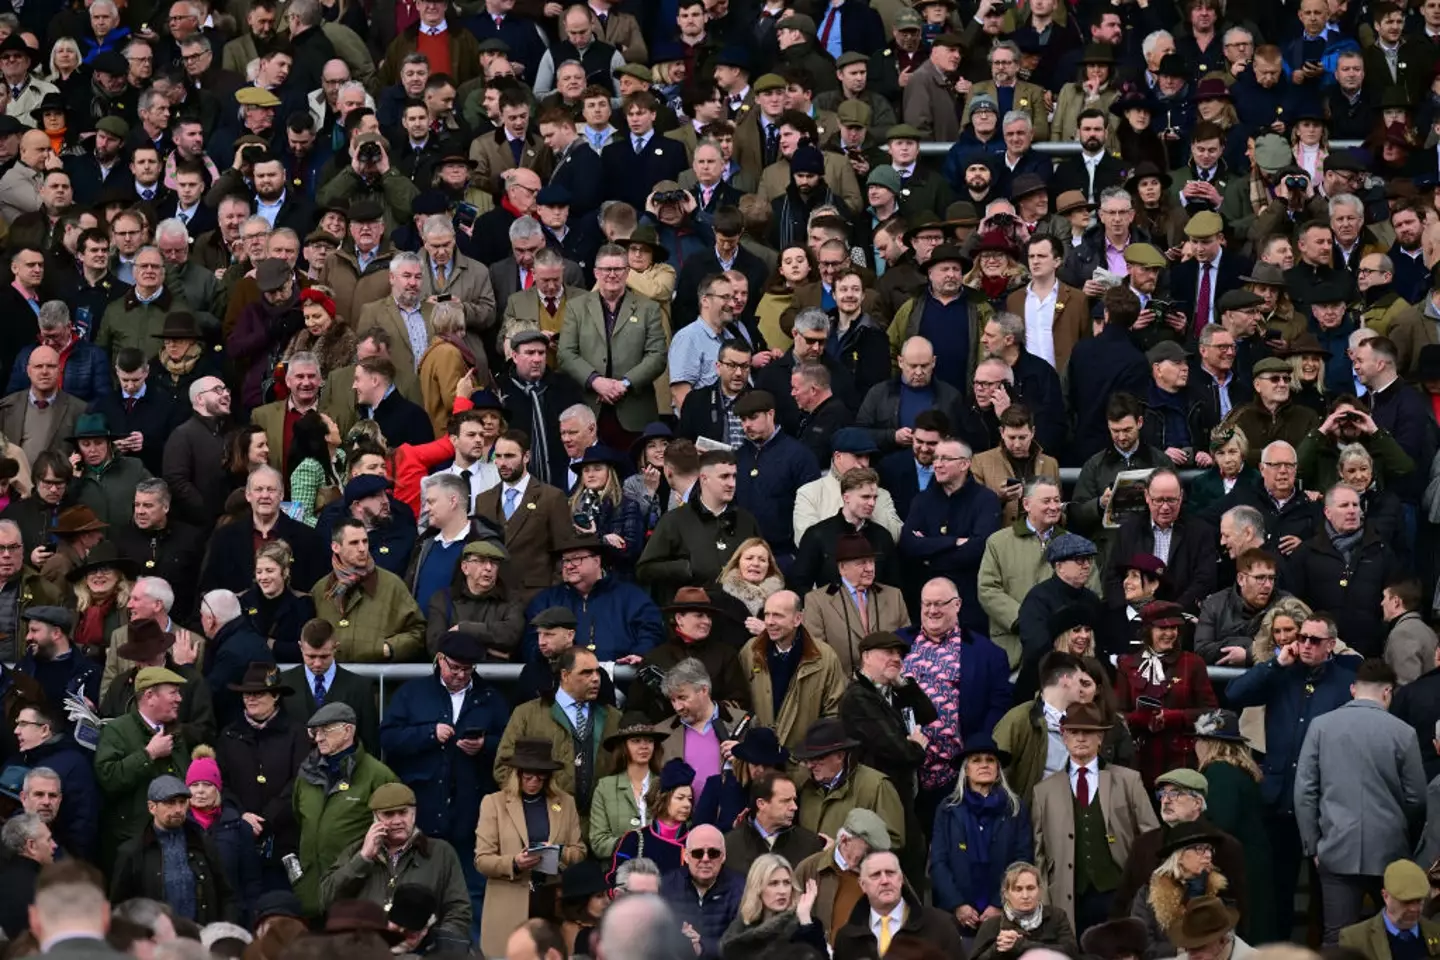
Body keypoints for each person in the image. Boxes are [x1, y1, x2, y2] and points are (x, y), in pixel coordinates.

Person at [1225, 611, 1357, 941]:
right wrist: (1274, 664)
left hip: (1325, 802)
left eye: (1314, 640)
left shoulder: (1344, 683)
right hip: (1279, 796)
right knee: (1278, 888)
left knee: (1326, 890)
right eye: (1302, 638)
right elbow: (1235, 694)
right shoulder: (1282, 673)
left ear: (1330, 644)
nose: (1305, 645)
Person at [378, 629, 509, 921]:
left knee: (470, 890)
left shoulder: (490, 698)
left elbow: (510, 743)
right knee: (415, 890)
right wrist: (428, 734)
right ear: (440, 659)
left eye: (468, 669)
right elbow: (388, 737)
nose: (461, 675)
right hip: (422, 808)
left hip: (471, 810)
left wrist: (484, 745)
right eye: (455, 667)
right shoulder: (413, 693)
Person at [1296, 658, 1426, 943]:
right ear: (1387, 692)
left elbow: (1305, 791)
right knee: (1398, 933)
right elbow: (1417, 797)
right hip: (1391, 849)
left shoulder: (1320, 727)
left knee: (1337, 937)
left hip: (1335, 846)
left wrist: (1312, 844)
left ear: (1353, 689)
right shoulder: (1404, 733)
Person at [1031, 702, 1160, 936]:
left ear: (1100, 737)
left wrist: (1146, 886)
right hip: (1069, 897)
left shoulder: (1129, 781)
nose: (1081, 738)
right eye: (1074, 732)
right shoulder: (1044, 791)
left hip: (1120, 892)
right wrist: (1046, 900)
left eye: (1088, 732)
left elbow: (1151, 837)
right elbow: (1039, 854)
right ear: (1064, 735)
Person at [316, 782, 471, 948]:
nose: (397, 820)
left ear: (414, 813)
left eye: (403, 813)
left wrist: (435, 945)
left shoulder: (441, 853)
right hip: (365, 951)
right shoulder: (356, 851)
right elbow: (326, 900)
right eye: (388, 814)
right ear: (375, 817)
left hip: (423, 951)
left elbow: (459, 910)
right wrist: (363, 859)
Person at [475, 738, 586, 958]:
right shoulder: (494, 803)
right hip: (509, 901)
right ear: (517, 774)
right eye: (528, 776)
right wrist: (514, 863)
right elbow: (482, 860)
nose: (534, 781)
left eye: (540, 776)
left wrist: (559, 850)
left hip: (550, 900)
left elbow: (580, 852)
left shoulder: (565, 803)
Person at [292, 701, 398, 915]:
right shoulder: (306, 775)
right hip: (310, 894)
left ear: (348, 730)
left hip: (356, 892)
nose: (318, 738)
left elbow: (396, 831)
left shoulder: (378, 775)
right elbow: (299, 819)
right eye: (315, 731)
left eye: (325, 730)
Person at [213, 663, 309, 895]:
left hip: (285, 839)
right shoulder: (228, 735)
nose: (251, 699)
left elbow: (300, 781)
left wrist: (267, 818)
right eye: (247, 694)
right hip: (239, 835)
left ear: (275, 695)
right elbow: (220, 783)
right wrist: (241, 815)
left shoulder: (296, 734)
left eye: (258, 693)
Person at [495, 646, 621, 815]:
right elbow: (504, 767)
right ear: (565, 675)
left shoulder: (613, 717)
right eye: (586, 673)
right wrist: (533, 806)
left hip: (598, 823)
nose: (596, 679)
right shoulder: (527, 714)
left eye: (597, 672)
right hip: (545, 820)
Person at [978, 477, 1088, 669]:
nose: (1054, 507)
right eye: (1046, 501)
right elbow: (988, 590)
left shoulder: (1076, 545)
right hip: (1012, 650)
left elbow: (1091, 591)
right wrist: (1026, 620)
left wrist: (1059, 623)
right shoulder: (998, 542)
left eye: (1056, 500)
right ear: (1026, 504)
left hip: (1063, 653)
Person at [898, 435, 1001, 635]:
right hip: (928, 607)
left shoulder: (986, 500)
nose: (937, 464)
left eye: (945, 459)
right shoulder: (922, 500)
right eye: (936, 458)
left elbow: (978, 549)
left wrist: (930, 554)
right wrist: (954, 542)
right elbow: (908, 545)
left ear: (964, 464)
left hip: (970, 605)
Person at [931, 735, 1034, 934]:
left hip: (1004, 914)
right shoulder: (948, 808)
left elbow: (1022, 860)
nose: (984, 765)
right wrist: (958, 905)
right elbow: (938, 862)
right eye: (976, 760)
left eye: (990, 760)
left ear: (998, 770)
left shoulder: (1015, 808)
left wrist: (999, 904)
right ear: (966, 770)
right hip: (956, 916)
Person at [1283, 484, 1398, 658]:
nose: (1352, 511)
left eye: (1355, 505)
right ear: (1327, 513)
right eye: (1344, 506)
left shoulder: (1381, 550)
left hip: (1369, 653)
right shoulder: (1307, 552)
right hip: (1319, 653)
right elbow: (1293, 603)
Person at [94, 666, 193, 866]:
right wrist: (149, 754)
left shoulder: (177, 732)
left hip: (175, 835)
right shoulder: (117, 730)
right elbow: (108, 778)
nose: (179, 699)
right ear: (150, 696)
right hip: (134, 843)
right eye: (173, 692)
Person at [638, 450, 762, 607]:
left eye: (734, 476)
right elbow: (644, 569)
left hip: (738, 619)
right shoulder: (675, 520)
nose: (732, 484)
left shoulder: (746, 521)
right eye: (724, 477)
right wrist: (685, 567)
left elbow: (768, 568)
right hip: (691, 617)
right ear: (704, 479)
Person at [1115, 601, 1217, 788]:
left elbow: (1212, 715)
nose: (1170, 634)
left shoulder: (1193, 663)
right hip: (1139, 760)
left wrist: (1174, 717)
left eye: (1174, 627)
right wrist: (1139, 719)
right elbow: (1117, 715)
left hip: (1181, 758)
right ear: (1147, 630)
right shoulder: (1127, 665)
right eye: (1162, 628)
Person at [523, 534, 665, 663]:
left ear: (597, 561)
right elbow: (530, 642)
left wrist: (640, 653)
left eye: (577, 559)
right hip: (562, 681)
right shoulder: (546, 601)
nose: (569, 566)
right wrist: (550, 654)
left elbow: (652, 631)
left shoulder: (631, 596)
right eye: (565, 560)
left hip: (620, 681)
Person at [737, 589, 846, 749]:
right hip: (759, 759)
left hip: (802, 761)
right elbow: (740, 703)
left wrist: (813, 754)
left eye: (778, 615)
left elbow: (833, 712)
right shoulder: (750, 651)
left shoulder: (825, 657)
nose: (769, 622)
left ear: (797, 619)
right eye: (767, 614)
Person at [311, 518, 427, 662]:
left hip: (376, 681)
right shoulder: (321, 589)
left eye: (365, 541)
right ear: (336, 547)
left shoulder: (392, 585)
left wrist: (387, 648)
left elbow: (418, 631)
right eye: (354, 543)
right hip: (332, 681)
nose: (362, 548)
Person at [832, 849, 967, 960]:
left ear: (901, 879)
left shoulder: (940, 925)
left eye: (890, 873)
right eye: (876, 875)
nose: (885, 881)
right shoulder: (847, 938)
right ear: (862, 885)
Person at [1126, 822, 1233, 957]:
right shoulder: (1148, 894)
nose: (1208, 855)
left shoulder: (1217, 889)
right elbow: (1141, 944)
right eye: (1200, 849)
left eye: (1210, 849)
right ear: (1180, 856)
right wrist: (1181, 950)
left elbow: (1229, 937)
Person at [279, 619, 380, 754]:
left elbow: (369, 744)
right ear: (300, 647)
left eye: (324, 656)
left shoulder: (360, 687)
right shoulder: (283, 683)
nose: (317, 663)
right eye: (311, 656)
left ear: (335, 647)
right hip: (295, 772)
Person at [15, 717, 100, 862]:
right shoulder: (24, 761)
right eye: (39, 795)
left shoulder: (71, 764)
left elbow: (82, 826)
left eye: (53, 796)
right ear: (23, 798)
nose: (46, 801)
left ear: (45, 730)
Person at [719, 853, 829, 959]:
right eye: (773, 883)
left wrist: (805, 920)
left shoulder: (805, 927)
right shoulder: (740, 930)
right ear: (758, 888)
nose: (782, 891)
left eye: (786, 883)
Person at [589, 714, 667, 860]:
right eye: (636, 741)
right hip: (620, 870)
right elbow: (598, 842)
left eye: (649, 741)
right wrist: (635, 844)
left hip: (663, 867)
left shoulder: (667, 784)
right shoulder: (605, 787)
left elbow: (681, 829)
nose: (644, 746)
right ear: (623, 747)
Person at [660, 824, 745, 959]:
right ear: (686, 856)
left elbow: (743, 944)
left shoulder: (741, 889)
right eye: (697, 853)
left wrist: (702, 947)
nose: (705, 859)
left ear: (723, 856)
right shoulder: (666, 887)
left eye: (713, 853)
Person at [1194, 549, 1287, 667]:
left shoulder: (1286, 604)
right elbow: (1201, 650)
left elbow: (1295, 649)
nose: (1268, 585)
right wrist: (1247, 643)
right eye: (1260, 578)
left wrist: (1250, 654)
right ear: (1241, 579)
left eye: (1271, 578)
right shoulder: (1214, 605)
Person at [971, 862, 1078, 960]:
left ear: (1040, 890)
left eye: (1030, 888)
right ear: (1006, 894)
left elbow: (1072, 953)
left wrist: (1023, 945)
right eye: (1018, 889)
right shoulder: (992, 924)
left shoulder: (1056, 916)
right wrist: (997, 947)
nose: (1025, 896)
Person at [609, 758, 696, 878]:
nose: (687, 805)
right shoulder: (635, 840)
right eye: (680, 798)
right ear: (662, 799)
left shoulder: (695, 842)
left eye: (689, 799)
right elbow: (616, 880)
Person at [1337, 859, 1440, 960]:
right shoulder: (1355, 940)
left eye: (1418, 901)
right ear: (1385, 896)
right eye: (1406, 902)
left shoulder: (1436, 933)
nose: (1414, 909)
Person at [0, 813, 54, 939]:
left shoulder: (4, 879)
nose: (54, 845)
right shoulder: (41, 892)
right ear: (31, 846)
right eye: (49, 840)